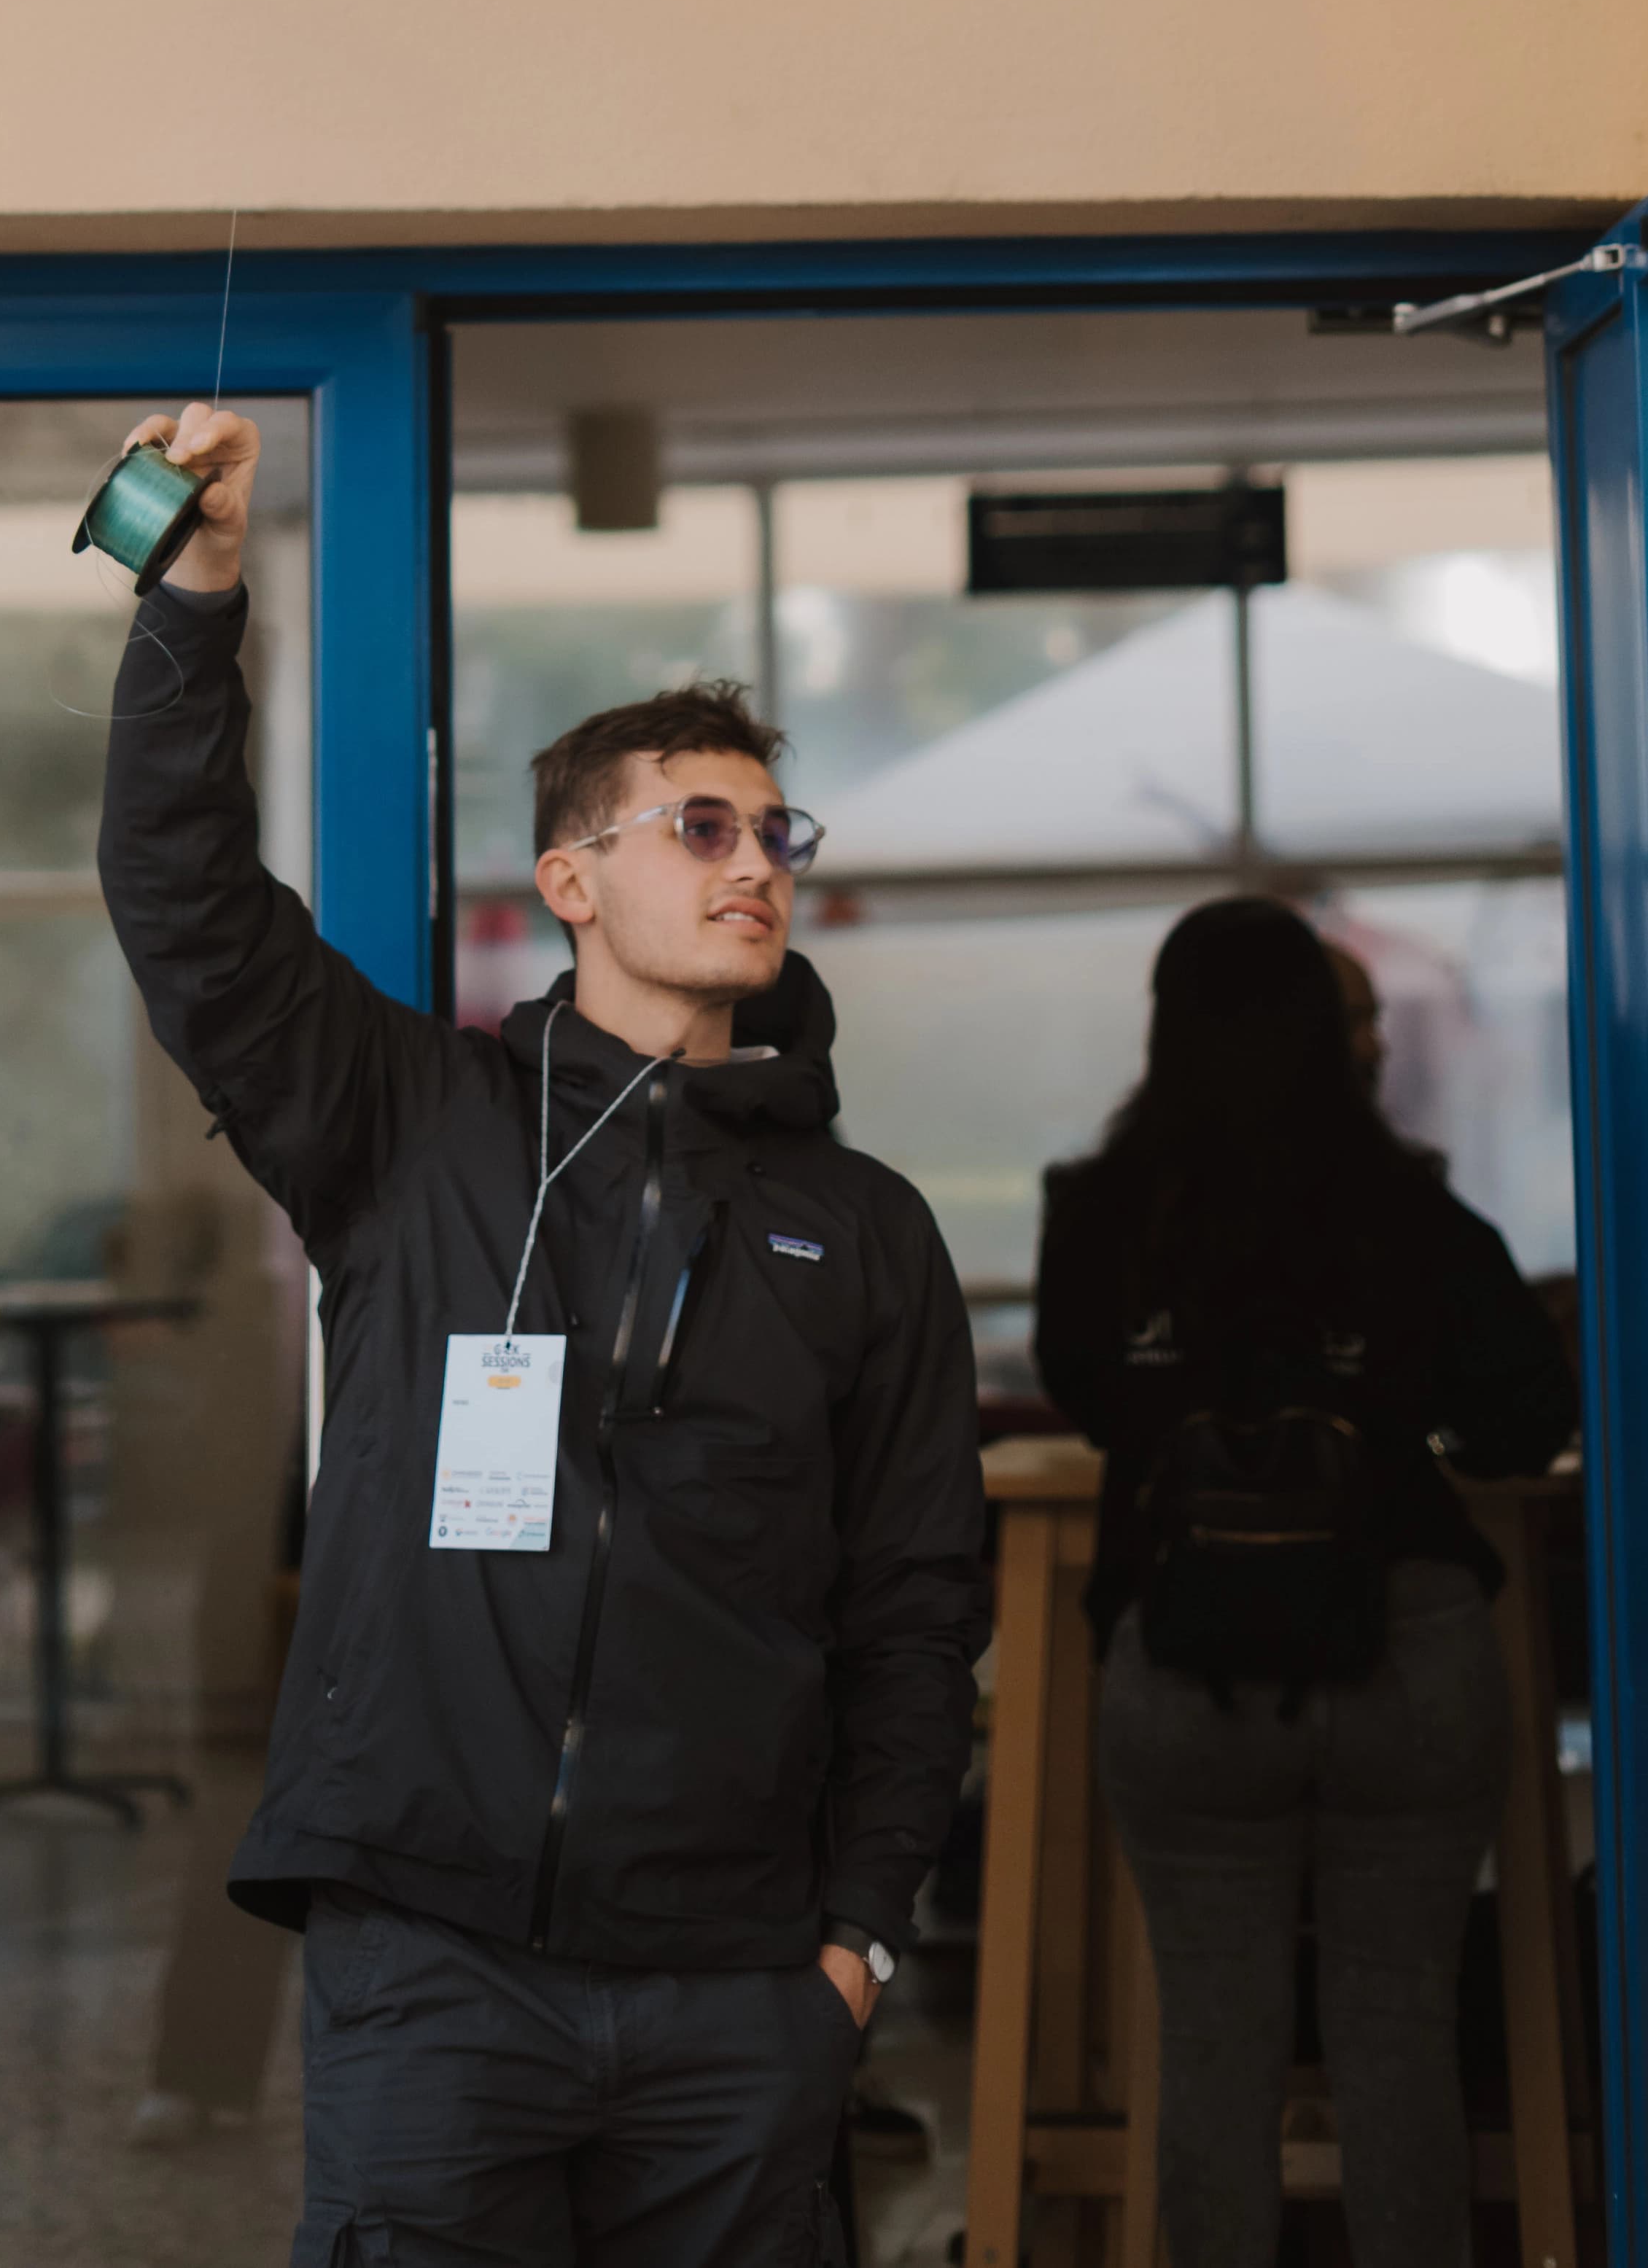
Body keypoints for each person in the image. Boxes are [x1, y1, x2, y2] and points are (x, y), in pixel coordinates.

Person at [96, 402, 990, 2268]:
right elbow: (187, 907)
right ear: (568, 881)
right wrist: (194, 595)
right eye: (697, 824)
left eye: (771, 828)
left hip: (738, 1989)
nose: (752, 861)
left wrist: (849, 1942)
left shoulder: (865, 1229)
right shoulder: (410, 1122)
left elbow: (916, 1611)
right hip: (434, 1965)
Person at [1035, 897, 1577, 2268]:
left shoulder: (1099, 1211)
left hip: (1188, 1657)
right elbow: (1525, 1412)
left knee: (1214, 2040)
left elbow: (1089, 1397)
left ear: (1166, 1029)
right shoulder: (1412, 1206)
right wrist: (1406, 1424)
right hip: (1407, 1646)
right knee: (1395, 2030)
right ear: (1333, 1033)